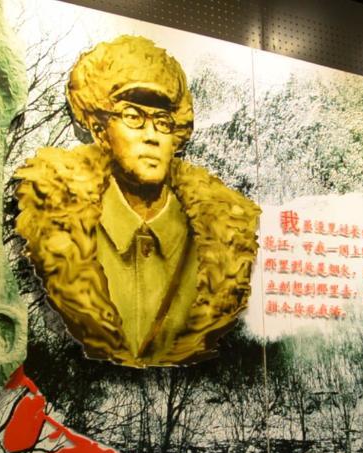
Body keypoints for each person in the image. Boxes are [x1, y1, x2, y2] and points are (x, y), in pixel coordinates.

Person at [13, 35, 261, 368]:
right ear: (100, 131)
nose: (152, 135)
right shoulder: (59, 230)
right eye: (133, 116)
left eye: (163, 122)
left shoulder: (225, 241)